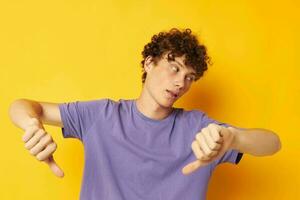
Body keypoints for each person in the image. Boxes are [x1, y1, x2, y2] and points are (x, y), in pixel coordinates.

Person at [9, 28, 281, 200]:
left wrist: (234, 138)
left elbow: (273, 143)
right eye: (174, 68)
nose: (180, 83)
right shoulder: (101, 116)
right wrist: (32, 124)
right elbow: (23, 105)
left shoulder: (197, 128)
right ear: (149, 63)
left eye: (189, 77)